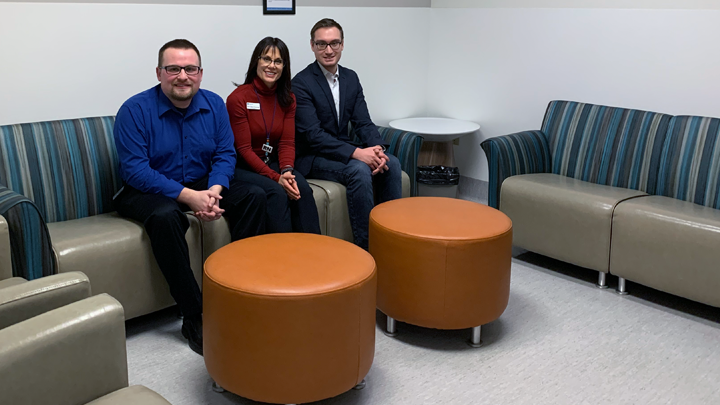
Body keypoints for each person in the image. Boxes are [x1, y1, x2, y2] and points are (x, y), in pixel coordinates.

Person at [113, 39, 266, 356]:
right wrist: (188, 197)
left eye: (190, 69)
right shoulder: (133, 110)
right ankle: (193, 314)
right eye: (174, 68)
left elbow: (225, 154)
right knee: (166, 216)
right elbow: (135, 170)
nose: (182, 76)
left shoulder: (213, 105)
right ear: (159, 73)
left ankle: (242, 290)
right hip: (146, 188)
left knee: (253, 194)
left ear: (200, 73)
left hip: (200, 181)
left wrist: (214, 190)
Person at [293, 18, 402, 250]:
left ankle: (393, 240)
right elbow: (313, 135)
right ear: (312, 46)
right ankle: (367, 248)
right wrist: (357, 153)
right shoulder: (301, 83)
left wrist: (377, 149)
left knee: (391, 163)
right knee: (359, 170)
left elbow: (363, 122)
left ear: (342, 45)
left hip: (341, 150)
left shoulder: (351, 78)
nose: (328, 50)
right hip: (313, 156)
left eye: (334, 43)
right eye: (321, 44)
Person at [226, 37, 320, 234]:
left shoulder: (288, 98)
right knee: (277, 192)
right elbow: (243, 150)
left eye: (278, 61)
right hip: (242, 166)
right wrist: (276, 178)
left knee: (300, 187)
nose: (272, 66)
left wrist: (286, 171)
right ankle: (281, 256)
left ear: (284, 66)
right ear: (256, 62)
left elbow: (286, 142)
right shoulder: (238, 98)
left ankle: (313, 251)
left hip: (273, 161)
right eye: (266, 59)